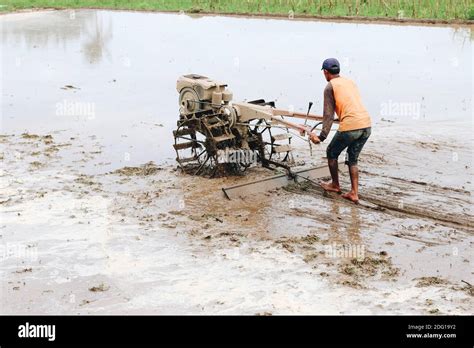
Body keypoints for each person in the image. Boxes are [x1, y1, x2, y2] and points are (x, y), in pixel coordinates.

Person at [309, 58, 372, 203]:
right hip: (366, 124)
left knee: (331, 152)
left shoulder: (329, 87)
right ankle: (354, 193)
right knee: (352, 158)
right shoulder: (350, 82)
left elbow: (328, 115)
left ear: (325, 72)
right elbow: (349, 103)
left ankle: (335, 185)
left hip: (351, 126)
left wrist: (321, 137)